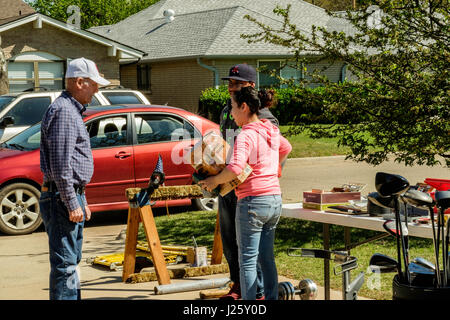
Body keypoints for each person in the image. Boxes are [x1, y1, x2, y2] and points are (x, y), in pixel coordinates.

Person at [199, 86, 292, 300]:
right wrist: (274, 168)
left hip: (251, 203)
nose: (231, 113)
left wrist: (213, 181)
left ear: (243, 107)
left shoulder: (245, 135)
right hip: (274, 200)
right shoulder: (270, 129)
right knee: (267, 258)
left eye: (232, 107)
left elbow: (234, 168)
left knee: (247, 261)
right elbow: (286, 148)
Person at [39, 57, 110, 300]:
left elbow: (72, 165)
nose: (97, 90)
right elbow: (61, 165)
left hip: (65, 196)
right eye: (94, 84)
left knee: (69, 262)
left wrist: (82, 199)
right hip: (60, 198)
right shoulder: (65, 112)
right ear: (80, 82)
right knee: (66, 264)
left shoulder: (69, 110)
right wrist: (72, 202)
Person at [218, 64, 279, 300]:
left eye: (236, 83)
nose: (231, 87)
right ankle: (240, 285)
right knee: (230, 239)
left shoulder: (262, 115)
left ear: (250, 86)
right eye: (230, 83)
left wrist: (273, 173)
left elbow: (275, 150)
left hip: (251, 188)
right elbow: (225, 145)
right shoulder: (227, 110)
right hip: (229, 185)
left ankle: (257, 292)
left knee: (253, 251)